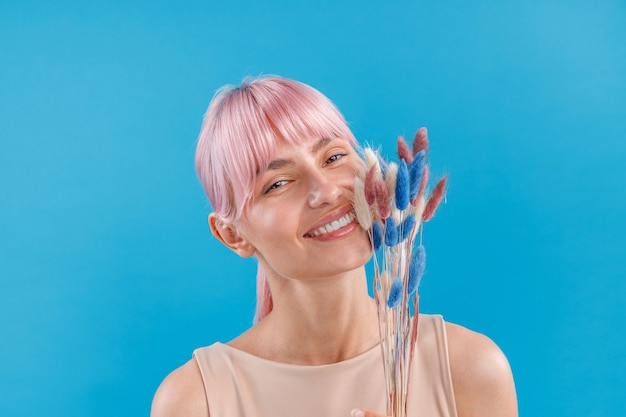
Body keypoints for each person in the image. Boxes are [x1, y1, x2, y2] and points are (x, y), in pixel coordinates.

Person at [151, 76, 518, 417]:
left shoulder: (469, 368)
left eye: (333, 157)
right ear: (233, 235)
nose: (325, 191)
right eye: (277, 183)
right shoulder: (195, 400)